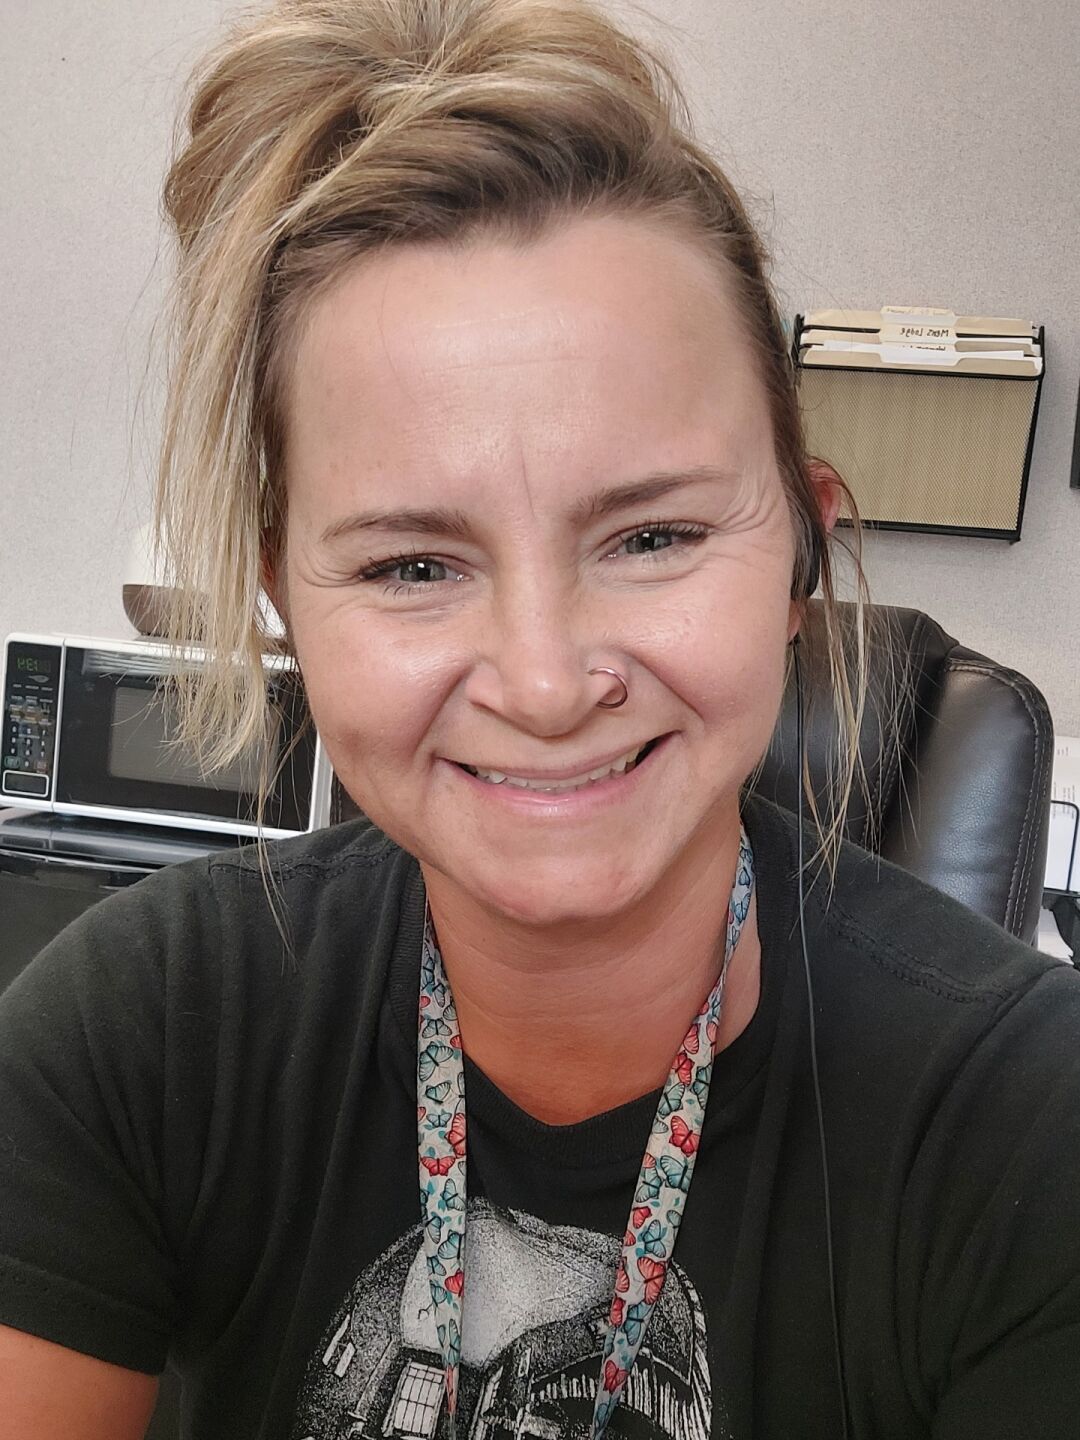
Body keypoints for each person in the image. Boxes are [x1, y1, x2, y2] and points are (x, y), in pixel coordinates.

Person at [1, 1, 1078, 1436]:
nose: (547, 682)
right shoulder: (134, 1032)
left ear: (802, 559)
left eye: (653, 537)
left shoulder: (1029, 1127)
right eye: (413, 566)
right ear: (286, 607)